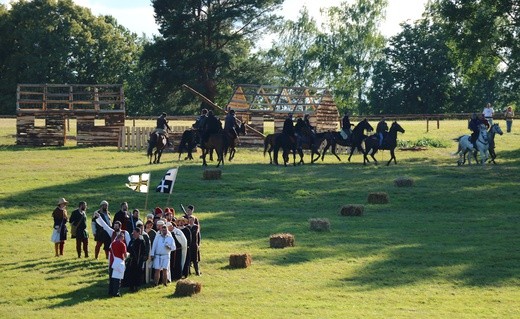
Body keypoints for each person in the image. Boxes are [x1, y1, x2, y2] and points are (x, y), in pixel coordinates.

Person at [126, 227, 147, 292]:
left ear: (138, 233)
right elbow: (128, 249)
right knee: (130, 273)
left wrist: (141, 259)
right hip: (131, 260)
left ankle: (136, 286)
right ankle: (130, 286)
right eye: (133, 232)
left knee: (137, 273)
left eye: (135, 233)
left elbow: (143, 251)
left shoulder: (141, 241)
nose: (133, 234)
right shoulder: (132, 240)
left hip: (138, 260)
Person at [108, 232, 127, 297]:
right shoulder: (122, 244)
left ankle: (110, 291)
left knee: (112, 278)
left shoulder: (112, 244)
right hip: (119, 262)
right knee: (117, 278)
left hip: (112, 262)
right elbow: (124, 254)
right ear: (121, 237)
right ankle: (116, 292)